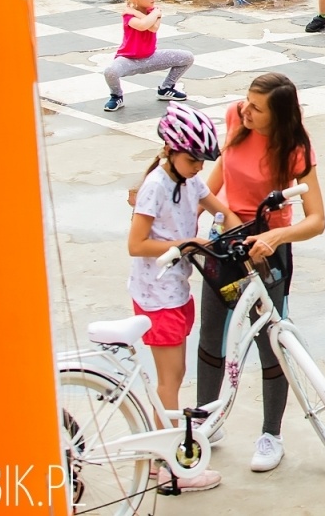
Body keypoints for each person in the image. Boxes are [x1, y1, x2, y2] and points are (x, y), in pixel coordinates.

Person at [197, 73, 325, 473]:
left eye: (257, 107)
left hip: (267, 250)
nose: (246, 110)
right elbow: (215, 180)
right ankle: (206, 419)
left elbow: (317, 220)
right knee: (211, 332)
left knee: (270, 340)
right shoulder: (236, 117)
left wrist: (277, 236)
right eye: (246, 102)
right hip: (227, 239)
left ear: (279, 115)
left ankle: (272, 434)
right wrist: (215, 213)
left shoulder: (295, 146)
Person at [126, 104, 232, 493]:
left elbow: (224, 212)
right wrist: (188, 243)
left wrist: (243, 236)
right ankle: (173, 466)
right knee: (169, 383)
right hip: (158, 294)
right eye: (192, 159)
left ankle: (160, 458)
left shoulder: (190, 182)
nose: (199, 167)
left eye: (202, 160)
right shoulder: (155, 186)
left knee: (174, 378)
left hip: (177, 290)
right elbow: (136, 244)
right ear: (170, 151)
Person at [103, 0, 194, 113]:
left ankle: (166, 88)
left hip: (151, 57)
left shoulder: (148, 11)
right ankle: (116, 96)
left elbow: (153, 28)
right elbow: (142, 25)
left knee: (187, 57)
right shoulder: (129, 16)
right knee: (110, 71)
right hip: (128, 60)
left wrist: (138, 12)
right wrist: (154, 14)